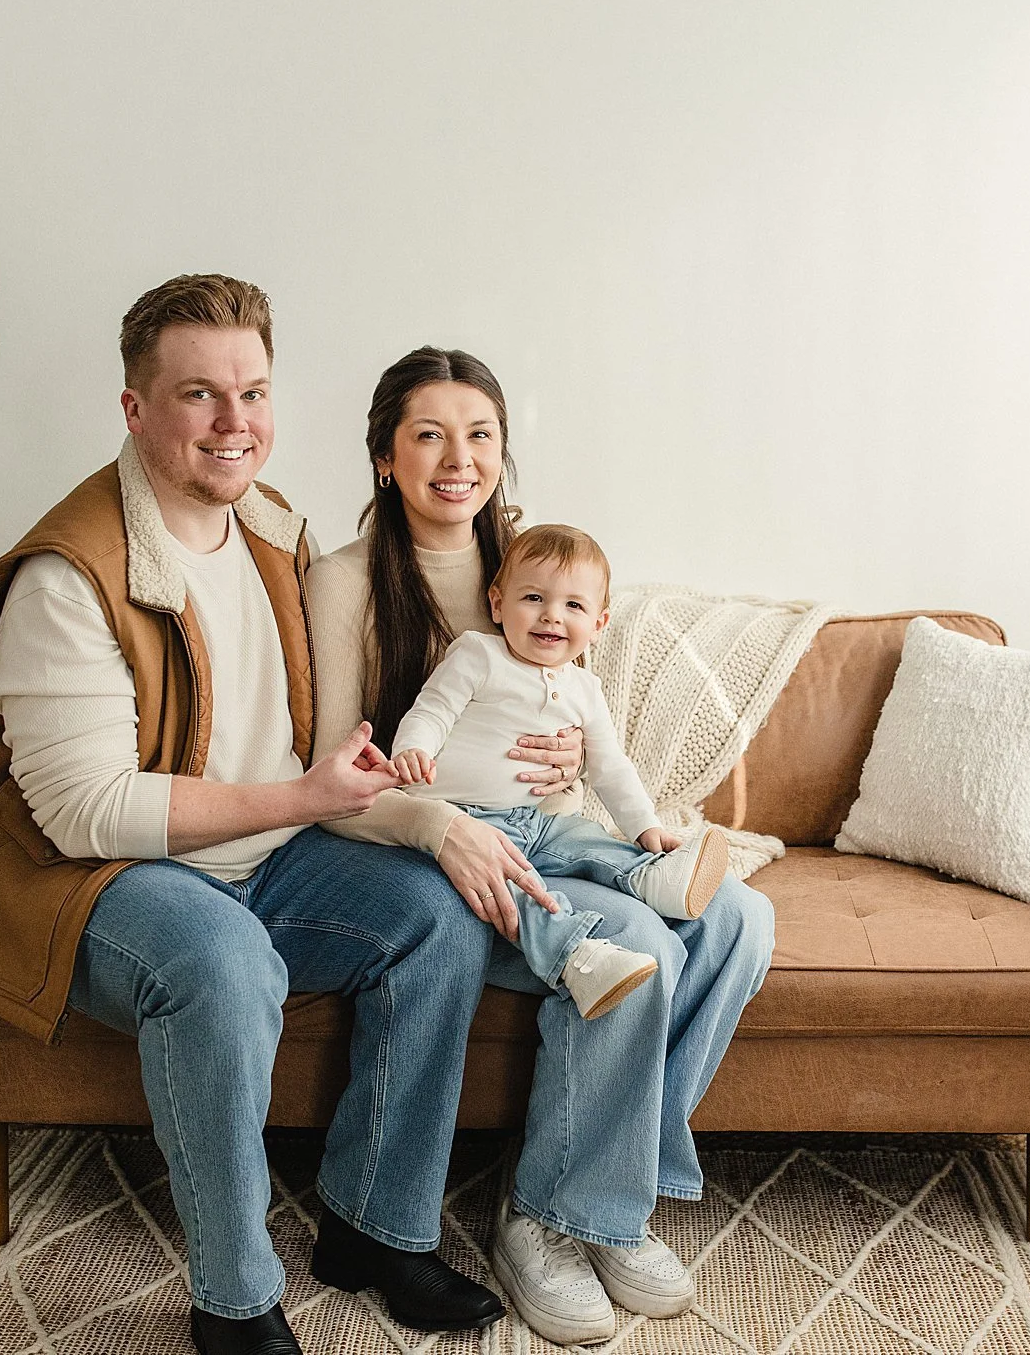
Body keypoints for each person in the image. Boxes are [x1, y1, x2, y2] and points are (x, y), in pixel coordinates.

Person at [0, 278, 520, 1355]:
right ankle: (233, 1301)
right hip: (92, 878)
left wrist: (517, 744)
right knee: (224, 961)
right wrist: (303, 796)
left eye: (252, 391)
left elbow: (345, 697)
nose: (234, 422)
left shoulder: (274, 529)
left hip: (264, 855)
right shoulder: (66, 576)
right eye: (199, 394)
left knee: (436, 913)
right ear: (136, 409)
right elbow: (84, 810)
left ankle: (374, 1229)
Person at [307, 347, 776, 1346]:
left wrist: (565, 764)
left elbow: (577, 712)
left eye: (478, 434)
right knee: (632, 952)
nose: (456, 457)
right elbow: (333, 780)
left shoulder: (528, 561)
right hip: (426, 849)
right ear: (384, 456)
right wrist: (444, 821)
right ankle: (555, 1220)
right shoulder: (344, 581)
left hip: (551, 833)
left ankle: (597, 1191)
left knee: (740, 915)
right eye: (427, 433)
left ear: (502, 453)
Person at [387, 523, 735, 1020]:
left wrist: (645, 827)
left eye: (574, 605)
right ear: (497, 604)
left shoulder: (585, 690)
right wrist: (413, 749)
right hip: (463, 821)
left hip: (533, 820)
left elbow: (611, 766)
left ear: (599, 623)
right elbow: (432, 710)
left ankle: (651, 877)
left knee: (586, 839)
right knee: (513, 890)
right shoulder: (478, 654)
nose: (551, 615)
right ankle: (577, 957)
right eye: (533, 597)